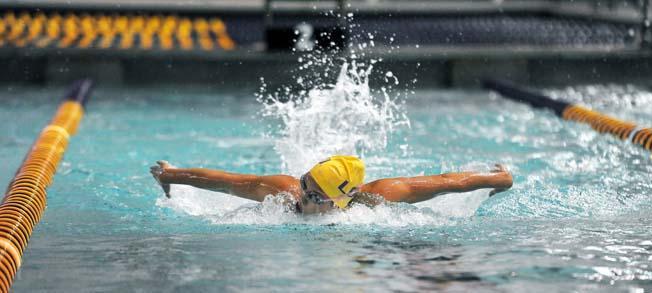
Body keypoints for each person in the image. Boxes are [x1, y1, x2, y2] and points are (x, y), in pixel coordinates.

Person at [150, 155, 513, 214]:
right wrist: (171, 174)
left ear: (345, 197)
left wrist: (500, 179)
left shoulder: (381, 196)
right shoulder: (284, 190)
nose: (303, 200)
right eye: (306, 186)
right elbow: (225, 181)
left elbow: (451, 182)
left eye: (314, 196)